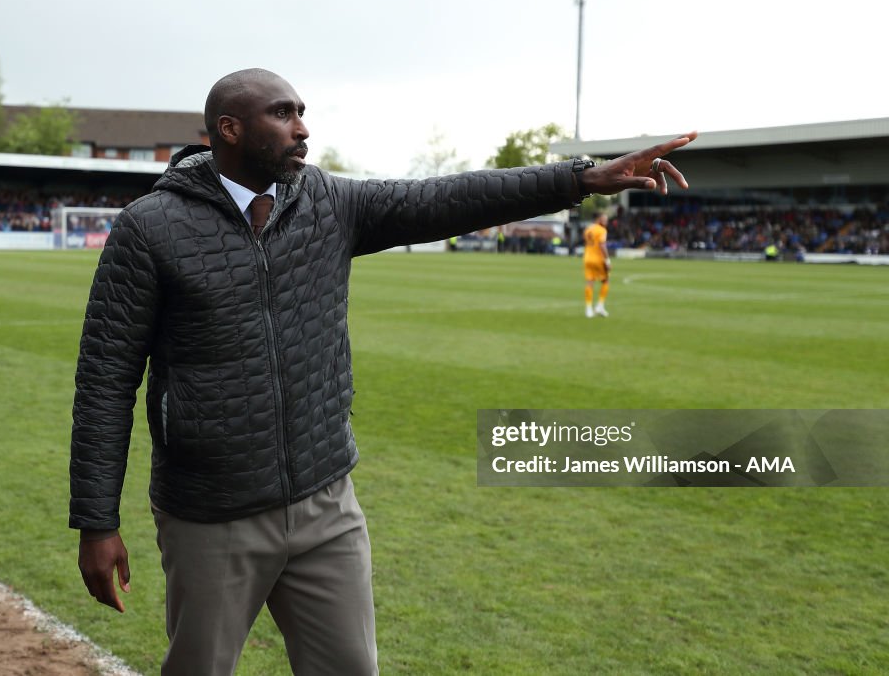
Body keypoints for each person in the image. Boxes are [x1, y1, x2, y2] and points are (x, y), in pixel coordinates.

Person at [69, 67, 696, 676]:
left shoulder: (326, 201)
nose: (302, 129)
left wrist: (579, 178)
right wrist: (97, 521)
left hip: (326, 504)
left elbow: (446, 198)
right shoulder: (150, 229)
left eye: (302, 113)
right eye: (283, 114)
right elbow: (105, 380)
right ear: (228, 129)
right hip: (213, 515)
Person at [583, 211, 611, 317]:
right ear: (599, 219)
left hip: (587, 258)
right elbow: (602, 245)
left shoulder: (588, 229)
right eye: (604, 219)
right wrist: (607, 260)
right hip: (598, 259)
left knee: (589, 282)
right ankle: (600, 306)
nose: (606, 222)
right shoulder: (602, 230)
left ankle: (588, 309)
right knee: (605, 280)